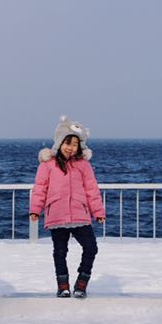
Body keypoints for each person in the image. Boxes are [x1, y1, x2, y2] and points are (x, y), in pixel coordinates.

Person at [29, 116, 106, 298]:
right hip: (57, 215)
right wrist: (35, 209)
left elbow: (91, 189)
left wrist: (98, 211)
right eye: (67, 142)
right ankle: (62, 285)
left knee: (91, 248)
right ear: (59, 142)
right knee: (60, 252)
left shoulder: (83, 165)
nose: (70, 148)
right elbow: (40, 188)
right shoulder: (48, 165)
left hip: (80, 215)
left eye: (75, 144)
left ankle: (81, 282)